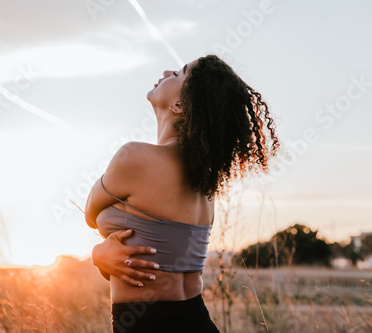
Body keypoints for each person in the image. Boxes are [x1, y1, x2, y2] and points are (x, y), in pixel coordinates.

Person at [84, 54, 279, 332]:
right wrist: (105, 259)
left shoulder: (134, 157)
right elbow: (160, 260)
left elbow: (90, 213)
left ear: (180, 105)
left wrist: (98, 254)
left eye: (177, 73)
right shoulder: (205, 182)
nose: (165, 71)